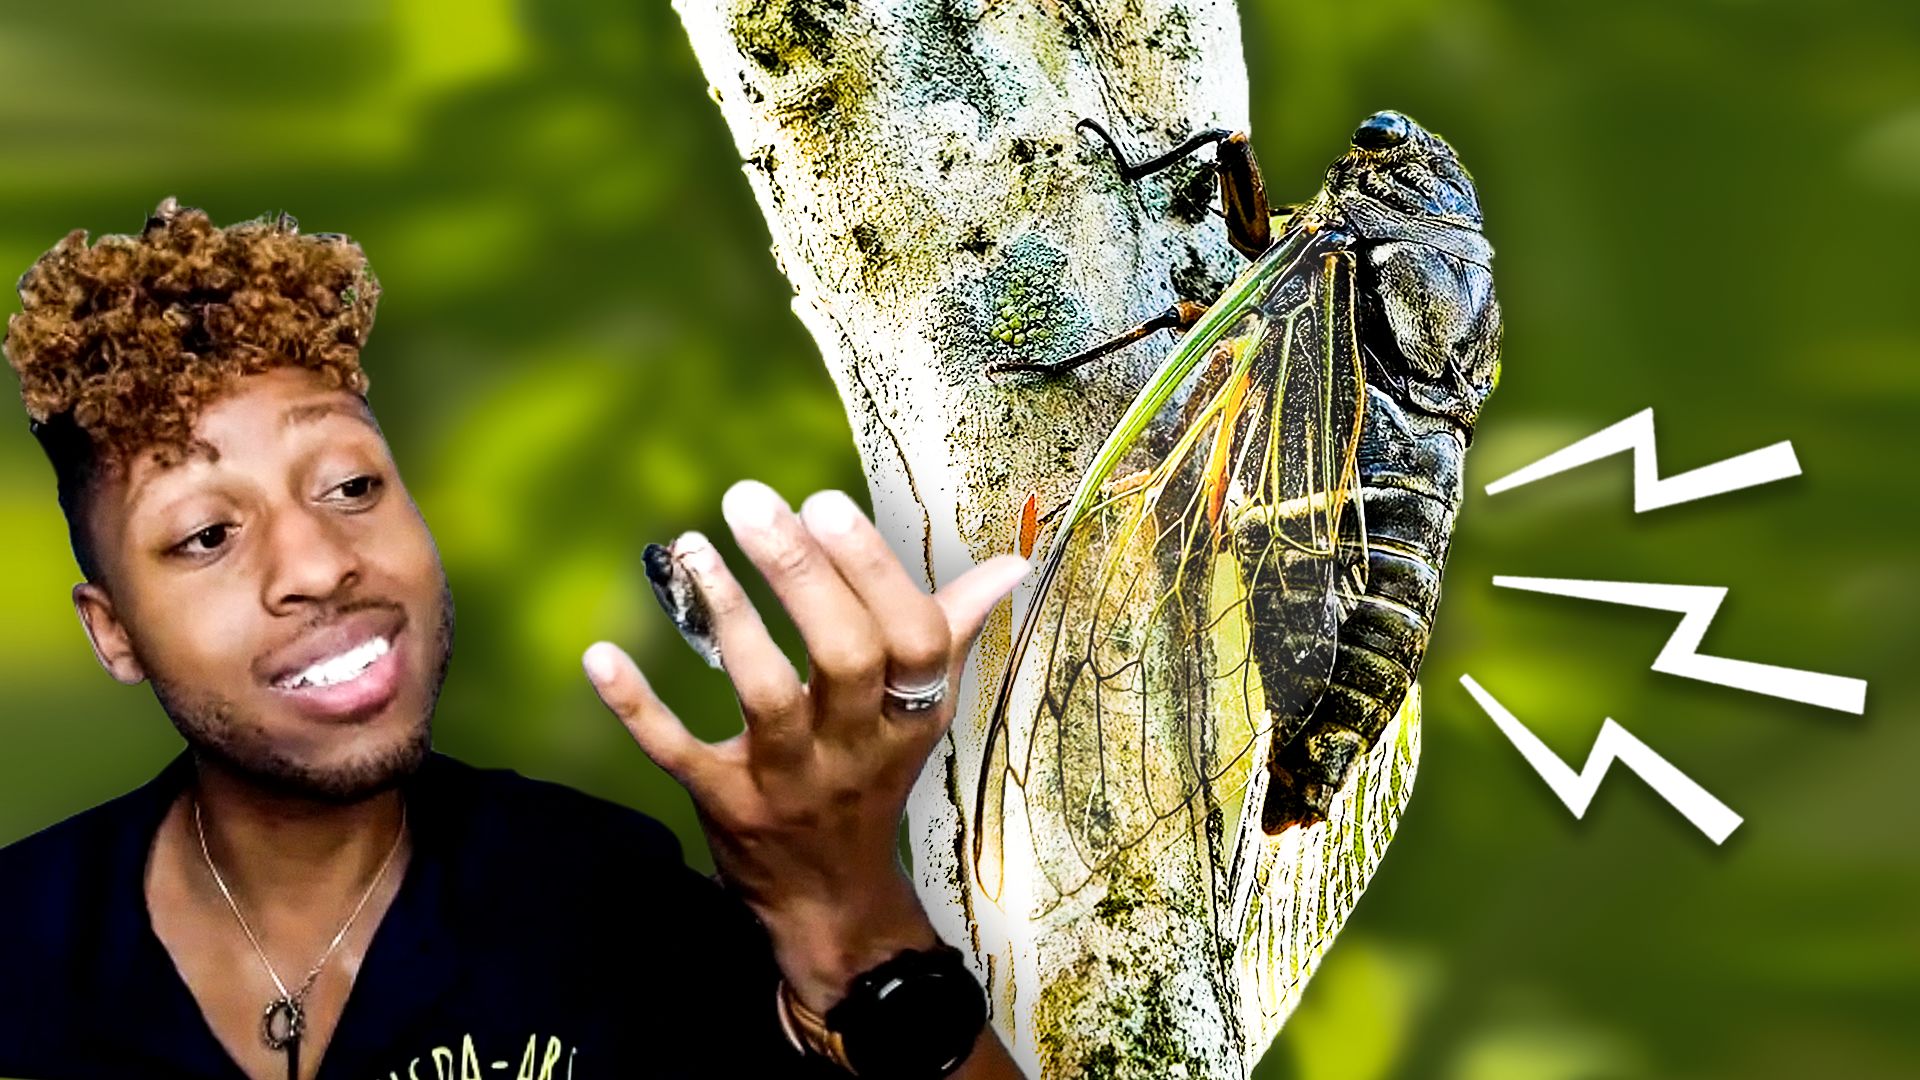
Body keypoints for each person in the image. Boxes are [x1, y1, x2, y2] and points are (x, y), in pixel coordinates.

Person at [0, 200, 1029, 1080]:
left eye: (352, 486)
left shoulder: (607, 903)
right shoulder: (19, 943)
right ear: (114, 631)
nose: (317, 563)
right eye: (206, 535)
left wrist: (846, 916)